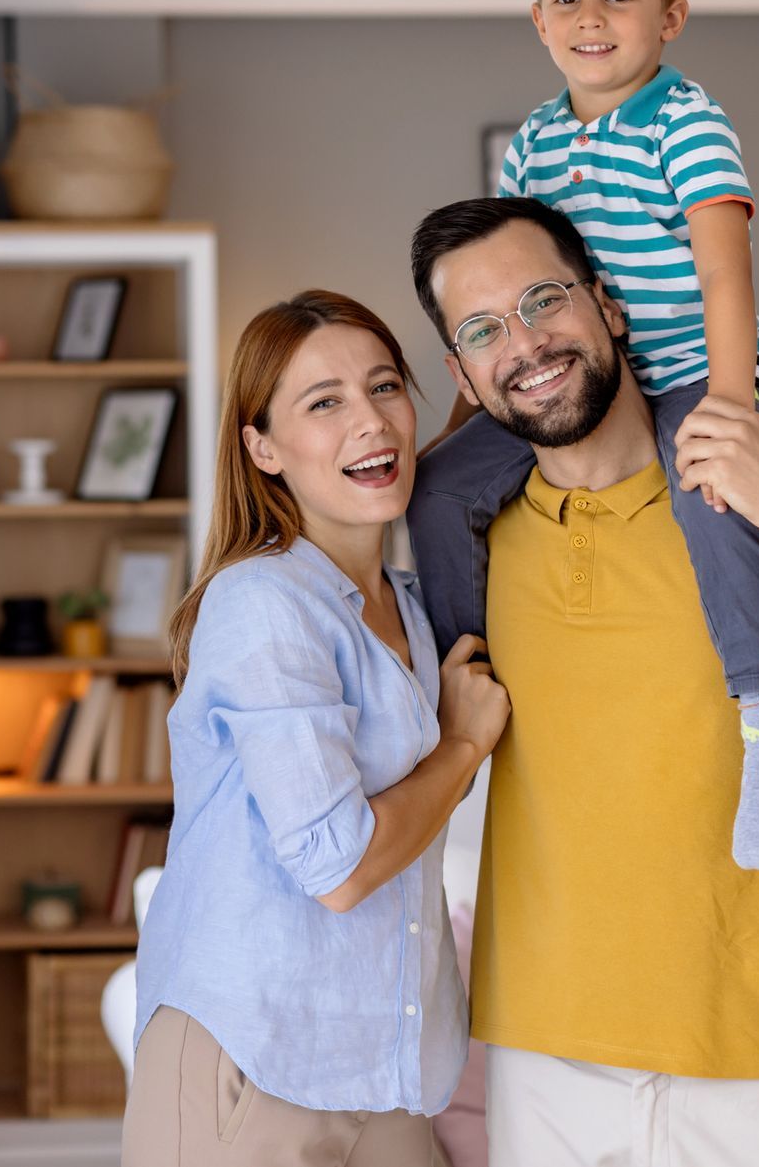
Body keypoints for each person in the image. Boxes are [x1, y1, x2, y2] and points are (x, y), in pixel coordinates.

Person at [405, 196, 759, 1165]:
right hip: (546, 1069)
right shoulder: (476, 551)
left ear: (610, 305)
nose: (525, 343)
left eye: (545, 300)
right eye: (484, 329)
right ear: (460, 373)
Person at [434, 0, 759, 869]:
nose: (590, 19)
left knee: (713, 494)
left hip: (691, 368)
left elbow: (726, 269)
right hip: (575, 385)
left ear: (670, 18)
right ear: (537, 20)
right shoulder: (534, 145)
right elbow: (512, 287)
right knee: (440, 487)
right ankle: (460, 678)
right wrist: (473, 406)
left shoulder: (684, 122)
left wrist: (730, 406)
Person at [124, 290, 509, 1166]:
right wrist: (459, 746)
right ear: (262, 446)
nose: (369, 423)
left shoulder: (416, 612)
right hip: (252, 1059)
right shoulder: (264, 601)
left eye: (385, 388)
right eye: (323, 402)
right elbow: (338, 866)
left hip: (392, 1069)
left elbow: (471, 455)